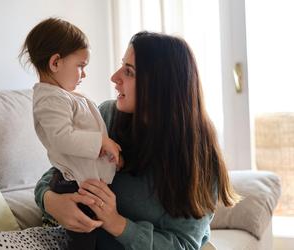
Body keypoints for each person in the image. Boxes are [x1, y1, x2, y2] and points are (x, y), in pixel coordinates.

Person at [34, 31, 239, 250]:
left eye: (129, 72)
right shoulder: (105, 116)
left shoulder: (199, 156)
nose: (115, 77)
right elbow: (57, 173)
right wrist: (52, 203)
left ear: (160, 86)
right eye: (122, 66)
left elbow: (185, 244)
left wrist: (117, 224)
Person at [19, 17, 122, 250]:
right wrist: (102, 143)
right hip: (73, 186)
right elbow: (62, 138)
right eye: (80, 66)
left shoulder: (65, 96)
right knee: (84, 238)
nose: (83, 74)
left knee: (97, 237)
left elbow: (86, 134)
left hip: (87, 183)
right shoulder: (50, 99)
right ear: (55, 62)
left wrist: (109, 156)